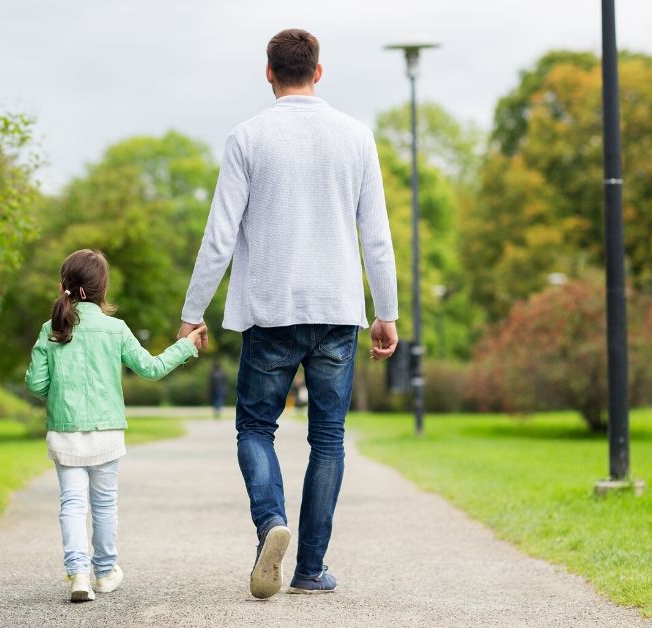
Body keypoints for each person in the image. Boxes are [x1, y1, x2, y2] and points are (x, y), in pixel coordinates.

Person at [177, 29, 399, 598]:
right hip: (337, 310)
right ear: (318, 72)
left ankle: (271, 522)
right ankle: (309, 569)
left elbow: (219, 236)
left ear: (269, 72)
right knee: (328, 438)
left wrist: (192, 312)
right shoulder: (356, 136)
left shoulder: (247, 137)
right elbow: (376, 237)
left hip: (270, 309)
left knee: (255, 426)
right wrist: (387, 311)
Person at [26, 249, 205, 603]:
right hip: (107, 434)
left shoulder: (52, 329)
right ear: (101, 289)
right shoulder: (115, 329)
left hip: (66, 432)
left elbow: (35, 384)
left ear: (64, 285)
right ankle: (105, 572)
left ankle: (78, 574)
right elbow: (152, 368)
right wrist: (186, 345)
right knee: (104, 504)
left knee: (72, 504)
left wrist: (58, 389)